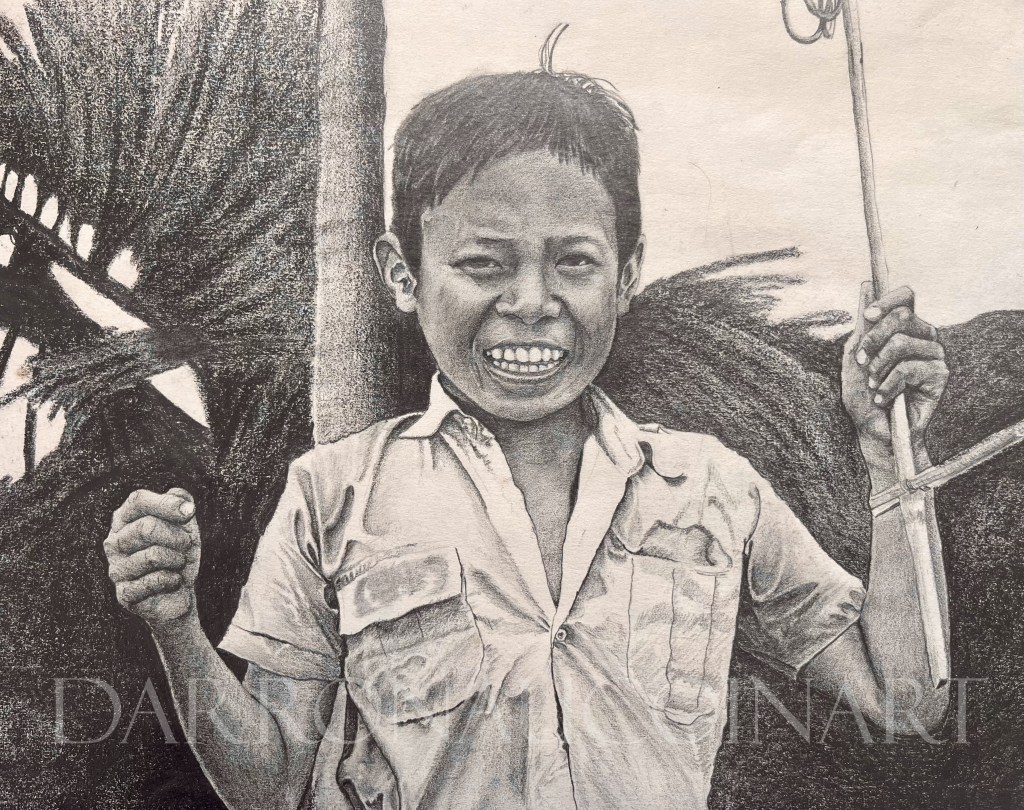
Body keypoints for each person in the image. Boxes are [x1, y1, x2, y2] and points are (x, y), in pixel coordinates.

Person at [102, 61, 951, 810]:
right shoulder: (332, 493)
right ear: (403, 272)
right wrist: (174, 624)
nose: (533, 301)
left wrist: (887, 465)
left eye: (574, 261)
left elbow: (904, 703)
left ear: (625, 276)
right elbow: (273, 783)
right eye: (484, 263)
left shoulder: (712, 487)